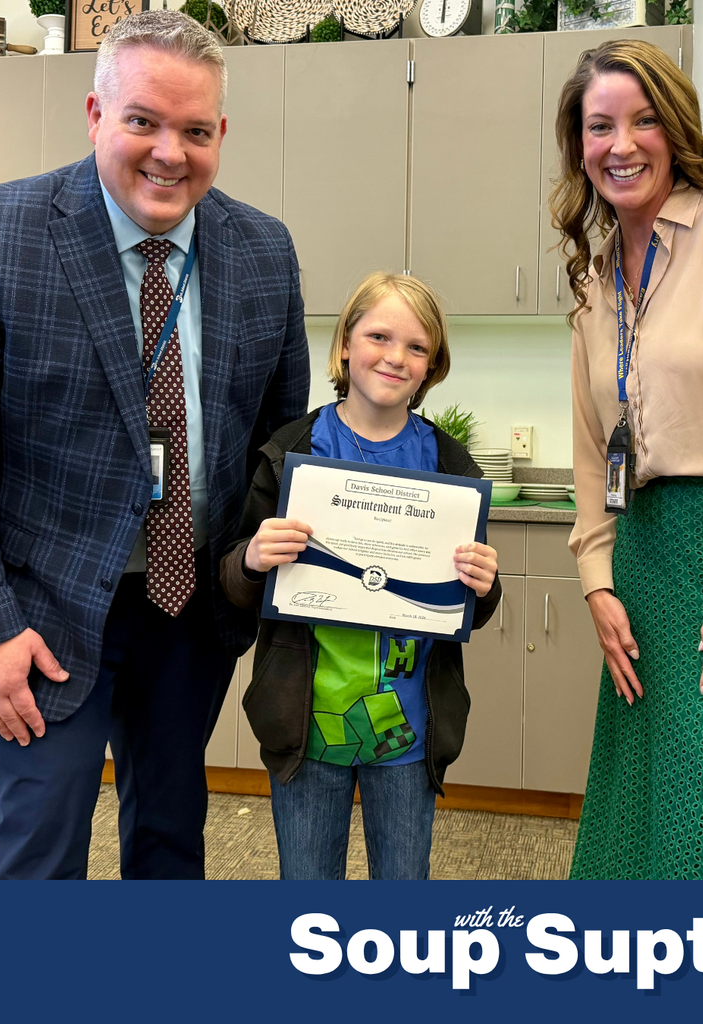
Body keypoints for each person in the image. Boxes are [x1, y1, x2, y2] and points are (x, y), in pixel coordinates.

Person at [0, 10, 309, 879]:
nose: (169, 152)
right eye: (143, 122)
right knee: (38, 851)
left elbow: (279, 444)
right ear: (95, 116)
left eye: (194, 131)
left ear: (220, 133)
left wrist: (244, 590)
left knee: (168, 838)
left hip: (190, 607)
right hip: (46, 613)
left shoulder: (264, 251)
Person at [550, 39, 703, 879]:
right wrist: (596, 579)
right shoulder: (594, 275)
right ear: (577, 145)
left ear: (675, 127)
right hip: (641, 562)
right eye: (599, 125)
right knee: (641, 811)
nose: (621, 143)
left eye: (643, 120)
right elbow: (589, 449)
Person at [220, 272, 501, 879]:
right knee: (309, 891)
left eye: (417, 346)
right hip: (305, 726)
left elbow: (470, 604)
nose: (395, 357)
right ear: (346, 343)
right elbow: (233, 580)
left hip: (407, 730)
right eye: (378, 336)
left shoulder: (449, 463)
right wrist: (252, 558)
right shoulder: (290, 451)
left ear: (433, 366)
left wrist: (485, 581)